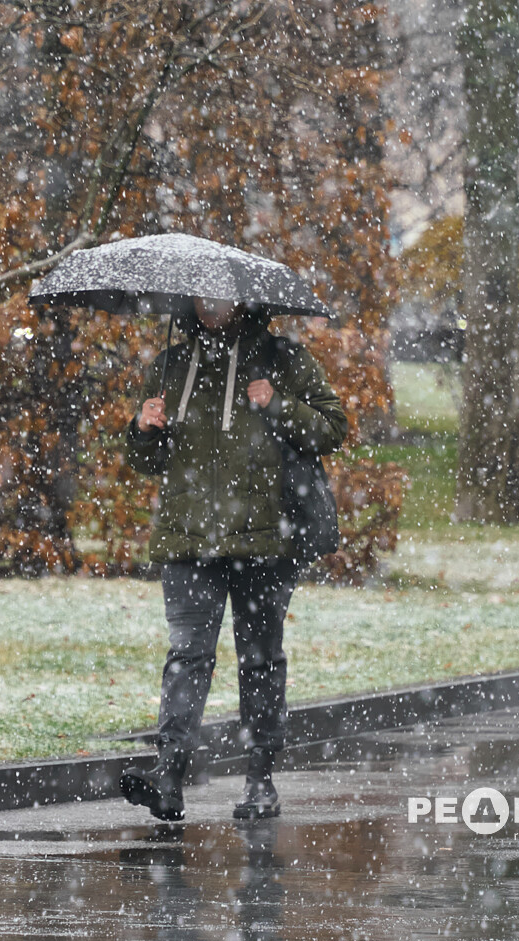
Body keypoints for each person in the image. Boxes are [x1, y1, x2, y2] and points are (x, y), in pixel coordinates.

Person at [120, 295, 348, 821]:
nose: (209, 305)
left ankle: (260, 778)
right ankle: (169, 777)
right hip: (188, 541)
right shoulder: (172, 364)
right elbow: (148, 462)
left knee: (260, 659)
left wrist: (277, 403)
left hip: (266, 541)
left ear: (243, 300)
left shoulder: (283, 359)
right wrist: (143, 428)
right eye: (200, 297)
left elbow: (332, 428)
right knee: (187, 656)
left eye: (219, 296)